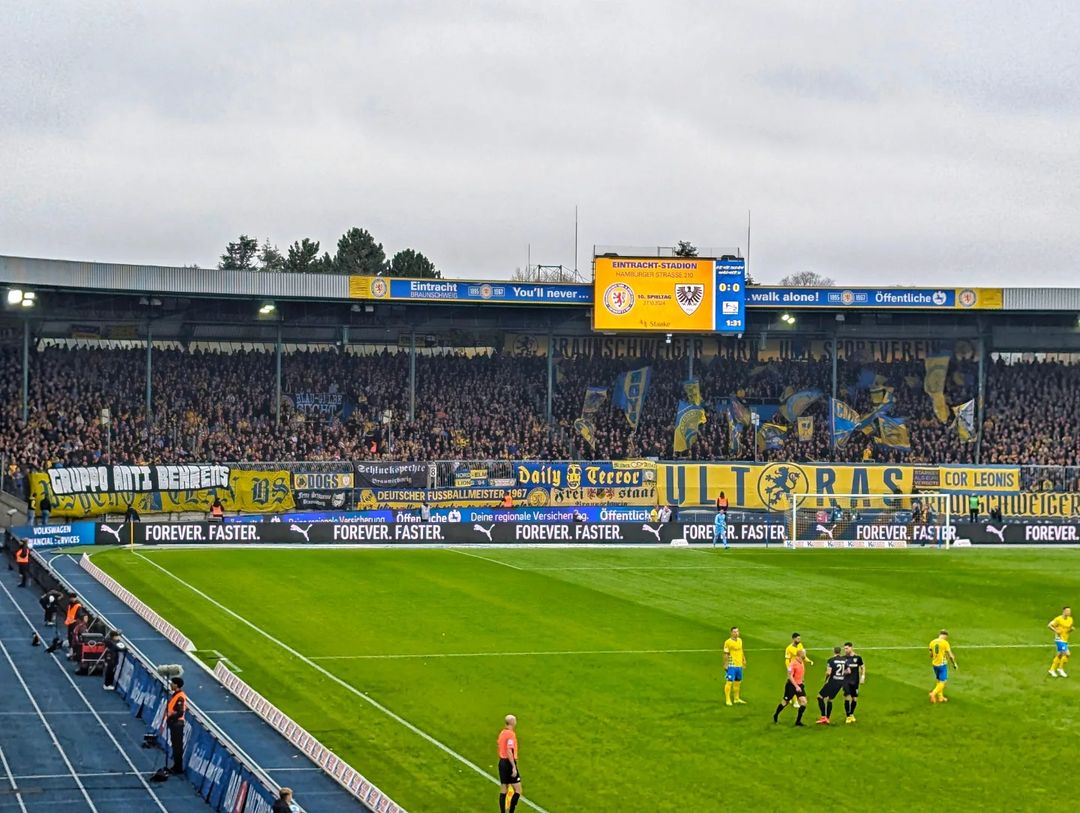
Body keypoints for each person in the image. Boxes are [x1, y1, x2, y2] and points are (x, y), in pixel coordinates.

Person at [773, 649, 808, 725]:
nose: (806, 654)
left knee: (804, 702)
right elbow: (790, 676)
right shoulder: (793, 664)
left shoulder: (801, 662)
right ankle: (776, 715)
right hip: (791, 686)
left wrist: (802, 680)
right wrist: (796, 686)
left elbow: (800, 673)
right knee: (785, 702)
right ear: (800, 654)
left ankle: (798, 721)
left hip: (800, 685)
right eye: (804, 653)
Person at [815, 646, 847, 724]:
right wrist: (841, 676)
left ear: (834, 651)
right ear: (840, 652)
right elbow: (848, 671)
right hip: (840, 683)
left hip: (832, 682)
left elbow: (828, 672)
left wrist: (826, 679)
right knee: (830, 699)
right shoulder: (844, 660)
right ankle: (827, 718)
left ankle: (823, 717)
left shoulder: (831, 660)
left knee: (820, 697)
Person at [497, 714, 523, 813]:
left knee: (504, 789)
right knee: (518, 790)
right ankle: (511, 812)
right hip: (508, 762)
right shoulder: (511, 734)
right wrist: (513, 767)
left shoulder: (502, 733)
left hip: (502, 762)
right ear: (512, 722)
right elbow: (509, 750)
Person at [929, 629, 958, 703]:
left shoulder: (932, 642)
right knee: (943, 681)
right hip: (942, 664)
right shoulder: (945, 643)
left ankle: (940, 697)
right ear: (945, 636)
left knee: (939, 680)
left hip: (935, 664)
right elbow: (951, 656)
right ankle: (933, 693)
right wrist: (954, 664)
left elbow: (931, 655)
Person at [166, 677, 188, 774]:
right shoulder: (176, 695)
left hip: (177, 724)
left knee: (177, 747)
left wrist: (171, 716)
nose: (170, 685)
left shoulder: (180, 697)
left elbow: (180, 712)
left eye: (172, 683)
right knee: (175, 746)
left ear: (176, 685)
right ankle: (176, 766)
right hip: (174, 724)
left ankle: (178, 768)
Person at [842, 642, 866, 724]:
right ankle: (848, 716)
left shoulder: (858, 658)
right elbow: (840, 670)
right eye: (844, 648)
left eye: (847, 648)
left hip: (855, 681)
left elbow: (862, 667)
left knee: (854, 698)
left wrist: (863, 677)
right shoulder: (843, 658)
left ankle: (851, 714)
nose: (845, 650)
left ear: (851, 648)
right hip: (845, 681)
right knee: (847, 697)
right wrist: (845, 672)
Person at [723, 626, 747, 706]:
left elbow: (741, 650)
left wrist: (743, 659)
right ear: (731, 633)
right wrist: (726, 664)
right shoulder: (728, 642)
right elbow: (726, 654)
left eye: (737, 631)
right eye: (734, 632)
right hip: (731, 664)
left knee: (738, 682)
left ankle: (736, 699)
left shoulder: (740, 640)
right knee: (729, 682)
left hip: (739, 664)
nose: (736, 633)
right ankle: (727, 699)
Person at [1047, 606, 1073, 678]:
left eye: (1070, 611)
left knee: (1060, 654)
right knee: (1067, 653)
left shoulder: (1070, 619)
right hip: (1059, 639)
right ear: (1064, 611)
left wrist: (1071, 630)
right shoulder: (1058, 619)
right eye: (1067, 611)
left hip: (1065, 639)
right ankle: (1060, 669)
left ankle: (1052, 669)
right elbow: (1049, 625)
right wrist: (1056, 631)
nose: (1069, 612)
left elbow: (1068, 630)